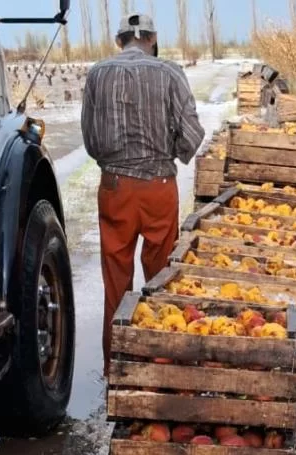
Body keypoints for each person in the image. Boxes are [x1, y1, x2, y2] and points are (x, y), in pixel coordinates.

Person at [81, 13, 205, 376]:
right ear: (151, 38)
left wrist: (113, 161)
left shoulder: (97, 74)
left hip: (115, 187)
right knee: (161, 277)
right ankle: (157, 364)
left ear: (121, 40)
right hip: (158, 189)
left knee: (116, 278)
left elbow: (90, 138)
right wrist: (171, 154)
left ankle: (115, 365)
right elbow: (192, 133)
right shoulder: (168, 72)